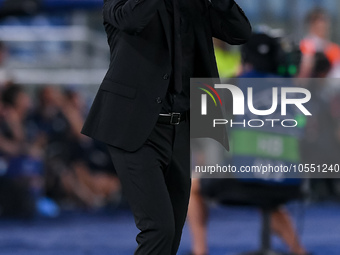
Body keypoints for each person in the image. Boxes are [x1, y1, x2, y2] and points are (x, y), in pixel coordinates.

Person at [81, 0, 251, 254]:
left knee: (172, 233)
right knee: (158, 229)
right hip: (134, 127)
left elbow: (240, 33)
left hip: (181, 128)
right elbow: (132, 20)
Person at [187, 33, 309, 255]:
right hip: (290, 183)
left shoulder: (235, 84)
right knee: (272, 197)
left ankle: (199, 251)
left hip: (247, 182)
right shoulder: (292, 90)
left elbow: (205, 125)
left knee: (193, 185)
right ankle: (299, 251)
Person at [299, 8, 340, 78]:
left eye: (325, 21)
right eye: (318, 22)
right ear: (311, 25)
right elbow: (302, 77)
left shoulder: (334, 49)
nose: (323, 26)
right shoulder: (305, 46)